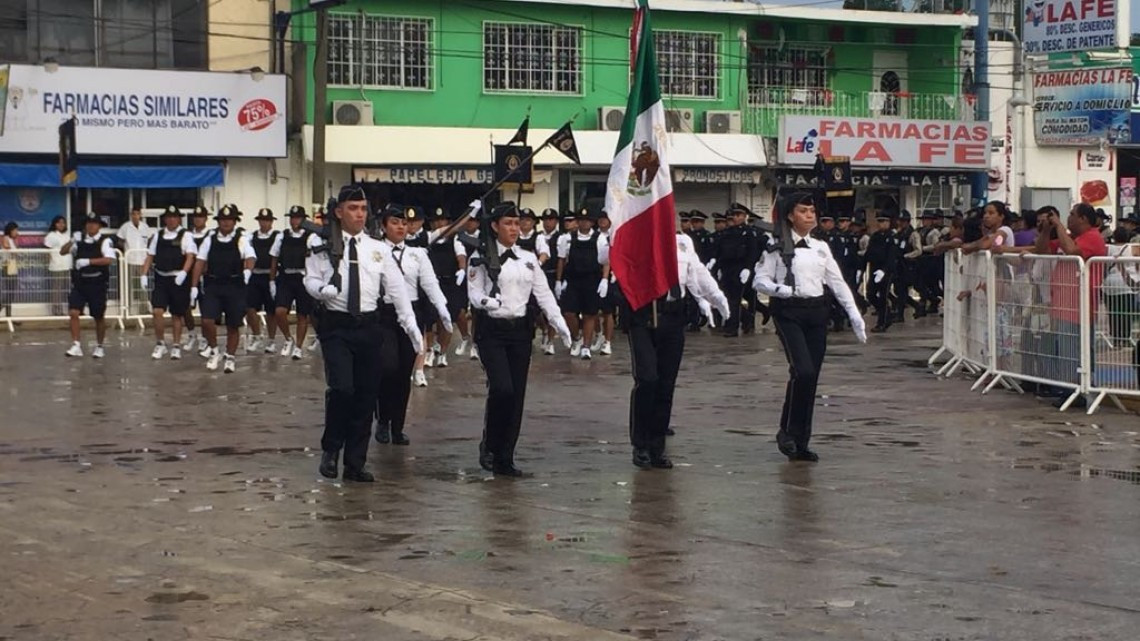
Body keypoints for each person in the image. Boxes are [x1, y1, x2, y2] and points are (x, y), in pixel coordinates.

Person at [305, 185, 421, 482]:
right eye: (352, 208)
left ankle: (355, 463)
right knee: (342, 389)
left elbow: (397, 290)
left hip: (369, 327)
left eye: (363, 208)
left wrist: (410, 325)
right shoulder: (320, 243)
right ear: (338, 211)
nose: (359, 214)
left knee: (367, 396)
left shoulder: (378, 249)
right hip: (336, 326)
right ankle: (331, 449)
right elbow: (310, 278)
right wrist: (321, 291)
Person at [752, 192, 867, 462]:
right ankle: (786, 432)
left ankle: (800, 440)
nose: (810, 215)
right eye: (803, 211)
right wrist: (779, 289)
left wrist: (854, 314)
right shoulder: (775, 244)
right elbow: (760, 280)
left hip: (816, 312)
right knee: (802, 370)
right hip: (788, 312)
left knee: (810, 376)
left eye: (812, 210)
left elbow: (837, 283)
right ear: (791, 216)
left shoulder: (820, 247)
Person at [468, 202, 572, 476]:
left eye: (517, 223)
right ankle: (490, 444)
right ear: (494, 226)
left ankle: (505, 456)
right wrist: (485, 302)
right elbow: (473, 291)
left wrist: (558, 321)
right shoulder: (480, 256)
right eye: (508, 223)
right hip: (492, 330)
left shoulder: (528, 259)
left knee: (517, 395)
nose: (514, 229)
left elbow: (543, 293)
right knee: (502, 388)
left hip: (520, 332)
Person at [626, 232, 730, 469]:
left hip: (673, 316)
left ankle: (656, 446)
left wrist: (715, 298)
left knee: (665, 384)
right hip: (644, 316)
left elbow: (698, 274)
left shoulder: (683, 244)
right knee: (647, 378)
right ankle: (640, 444)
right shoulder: (636, 235)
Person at [375, 205, 449, 444]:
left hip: (413, 312)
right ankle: (383, 418)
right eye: (395, 222)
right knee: (387, 366)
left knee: (404, 370)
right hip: (385, 314)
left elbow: (430, 284)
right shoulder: (375, 251)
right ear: (384, 226)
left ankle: (397, 426)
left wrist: (442, 308)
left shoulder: (417, 254)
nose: (400, 227)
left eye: (403, 223)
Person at [1033, 203, 1109, 408]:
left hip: (1079, 305)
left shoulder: (1092, 237)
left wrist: (1058, 225)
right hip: (1064, 303)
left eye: (1072, 215)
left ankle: (1079, 390)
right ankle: (1068, 389)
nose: (1068, 219)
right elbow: (1042, 250)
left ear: (1084, 219)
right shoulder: (1072, 236)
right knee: (1064, 348)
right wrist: (1047, 230)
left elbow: (1072, 251)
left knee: (1075, 349)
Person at [190, 205, 256, 373]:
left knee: (233, 324)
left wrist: (247, 271)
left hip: (235, 285)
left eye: (229, 220)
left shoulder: (241, 239)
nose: (226, 223)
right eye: (223, 220)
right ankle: (214, 350)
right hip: (214, 284)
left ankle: (230, 356)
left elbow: (250, 256)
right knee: (207, 321)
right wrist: (193, 286)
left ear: (234, 222)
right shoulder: (209, 239)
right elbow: (199, 261)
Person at [139, 205, 196, 360]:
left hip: (178, 278)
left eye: (174, 217)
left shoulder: (186, 236)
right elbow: (150, 255)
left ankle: (176, 345)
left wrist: (184, 273)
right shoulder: (158, 235)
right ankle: (160, 343)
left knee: (177, 314)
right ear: (165, 219)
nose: (171, 220)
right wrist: (143, 274)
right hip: (161, 277)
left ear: (179, 219)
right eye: (169, 217)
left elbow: (190, 256)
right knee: (157, 311)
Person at [555, 207, 610, 359]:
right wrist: (558, 281)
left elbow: (606, 261)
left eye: (587, 220)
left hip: (592, 280)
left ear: (592, 222)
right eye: (581, 220)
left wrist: (604, 279)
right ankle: (576, 338)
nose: (584, 223)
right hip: (573, 280)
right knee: (569, 313)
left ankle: (586, 346)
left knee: (589, 314)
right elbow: (561, 260)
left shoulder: (599, 238)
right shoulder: (568, 238)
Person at [62, 214, 117, 358]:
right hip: (80, 283)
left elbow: (109, 259)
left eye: (94, 223)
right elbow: (63, 251)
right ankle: (76, 344)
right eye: (88, 223)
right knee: (73, 312)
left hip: (97, 283)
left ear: (99, 226)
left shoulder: (104, 241)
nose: (91, 226)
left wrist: (89, 261)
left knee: (98, 316)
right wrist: (72, 240)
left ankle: (99, 346)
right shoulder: (79, 242)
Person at [269, 205, 315, 360]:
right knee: (279, 312)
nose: (294, 221)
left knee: (303, 315)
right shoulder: (282, 236)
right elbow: (274, 258)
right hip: (286, 277)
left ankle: (299, 347)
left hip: (302, 277)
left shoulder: (310, 237)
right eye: (292, 218)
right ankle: (288, 338)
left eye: (297, 218)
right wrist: (272, 280)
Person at [714, 203, 761, 337]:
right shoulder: (726, 232)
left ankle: (732, 328)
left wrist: (747, 268)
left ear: (744, 217)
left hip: (740, 269)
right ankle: (745, 318)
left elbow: (752, 252)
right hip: (726, 268)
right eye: (733, 215)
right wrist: (718, 267)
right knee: (725, 297)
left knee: (734, 299)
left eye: (738, 215)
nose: (734, 217)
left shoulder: (748, 232)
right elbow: (720, 251)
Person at [245, 209, 279, 354]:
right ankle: (257, 336)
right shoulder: (252, 237)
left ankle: (271, 340)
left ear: (271, 221)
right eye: (261, 220)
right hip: (255, 275)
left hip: (271, 276)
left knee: (271, 311)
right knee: (249, 307)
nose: (263, 223)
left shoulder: (278, 236)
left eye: (266, 220)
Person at [183, 206, 213, 354]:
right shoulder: (187, 234)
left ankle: (205, 338)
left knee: (205, 308)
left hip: (206, 275)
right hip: (189, 274)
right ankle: (191, 333)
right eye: (195, 217)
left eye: (201, 217)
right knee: (185, 306)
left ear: (206, 218)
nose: (198, 219)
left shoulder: (211, 234)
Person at [865, 210, 899, 333]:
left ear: (889, 222)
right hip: (874, 268)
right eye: (879, 221)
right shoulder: (875, 236)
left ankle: (882, 322)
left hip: (886, 270)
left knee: (883, 296)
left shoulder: (892, 237)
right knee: (870, 294)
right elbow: (869, 253)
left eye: (883, 221)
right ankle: (886, 314)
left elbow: (892, 256)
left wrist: (884, 270)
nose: (881, 224)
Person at [42, 216, 73, 315]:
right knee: (57, 290)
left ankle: (70, 309)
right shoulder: (51, 235)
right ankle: (56, 310)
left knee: (67, 288)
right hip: (56, 266)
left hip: (67, 265)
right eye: (59, 223)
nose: (61, 225)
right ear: (54, 224)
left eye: (63, 222)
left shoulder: (67, 235)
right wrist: (49, 262)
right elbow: (46, 250)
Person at [1, 222, 19, 317]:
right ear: (10, 230)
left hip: (13, 265)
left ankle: (9, 316)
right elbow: (8, 249)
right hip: (8, 265)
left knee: (11, 292)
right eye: (15, 230)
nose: (16, 232)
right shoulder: (6, 238)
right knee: (9, 292)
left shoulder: (12, 240)